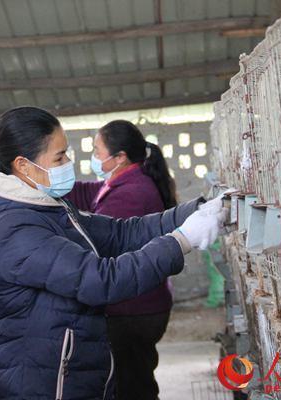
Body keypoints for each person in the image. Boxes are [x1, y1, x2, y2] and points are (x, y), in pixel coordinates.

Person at [0, 106, 227, 400]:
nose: (68, 162)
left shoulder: (49, 206)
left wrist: (195, 211)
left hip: (69, 373)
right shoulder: (16, 228)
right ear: (24, 165)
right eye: (59, 157)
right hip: (43, 384)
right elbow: (100, 280)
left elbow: (120, 233)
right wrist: (181, 240)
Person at [65, 120, 178, 400]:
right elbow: (86, 192)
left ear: (120, 157)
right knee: (135, 380)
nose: (93, 156)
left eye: (97, 150)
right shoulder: (122, 182)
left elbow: (103, 242)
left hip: (133, 310)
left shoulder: (131, 192)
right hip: (140, 304)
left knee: (132, 387)